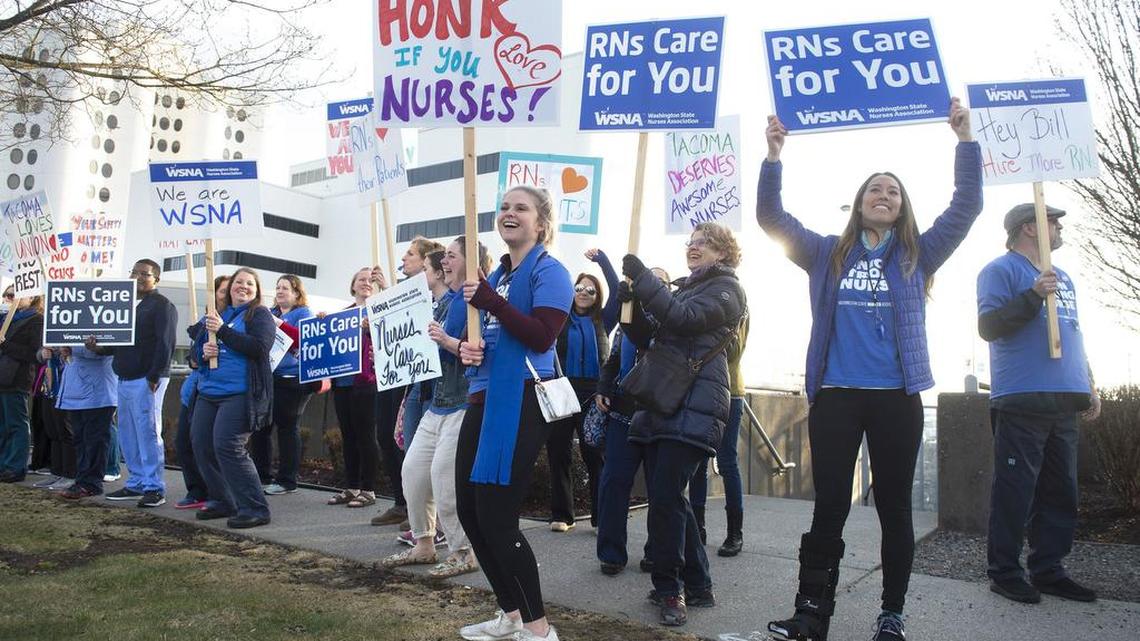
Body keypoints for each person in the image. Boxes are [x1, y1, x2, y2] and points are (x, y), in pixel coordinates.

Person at [758, 100, 981, 641]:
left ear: (902, 209)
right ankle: (812, 613)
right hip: (836, 396)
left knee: (894, 507)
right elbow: (772, 219)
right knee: (830, 505)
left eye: (894, 191)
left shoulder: (918, 255)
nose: (884, 195)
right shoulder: (825, 254)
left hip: (895, 399)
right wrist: (773, 155)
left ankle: (892, 615)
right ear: (858, 203)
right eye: (875, 189)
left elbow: (966, 206)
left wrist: (965, 140)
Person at [456, 185, 573, 641]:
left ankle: (540, 629)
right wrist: (468, 350)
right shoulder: (500, 276)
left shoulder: (551, 272)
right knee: (470, 511)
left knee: (498, 518)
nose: (509, 213)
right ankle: (511, 614)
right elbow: (497, 337)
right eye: (503, 206)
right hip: (483, 397)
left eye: (520, 208)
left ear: (540, 223)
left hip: (522, 401)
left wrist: (492, 303)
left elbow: (542, 337)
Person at [619, 223, 746, 627]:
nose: (693, 248)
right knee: (671, 498)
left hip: (695, 403)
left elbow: (684, 319)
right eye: (691, 243)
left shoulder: (726, 290)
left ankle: (669, 588)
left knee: (666, 498)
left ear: (723, 253)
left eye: (703, 244)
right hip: (665, 401)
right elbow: (650, 335)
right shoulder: (685, 287)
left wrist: (644, 280)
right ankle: (700, 583)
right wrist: (633, 307)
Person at [980, 204, 1101, 604]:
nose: (1059, 225)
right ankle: (1004, 571)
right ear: (1029, 228)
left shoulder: (1063, 276)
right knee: (1016, 490)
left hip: (1065, 398)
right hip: (1022, 395)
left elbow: (1073, 332)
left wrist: (1089, 383)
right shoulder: (1001, 270)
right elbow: (990, 326)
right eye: (1052, 220)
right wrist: (1033, 296)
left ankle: (1049, 570)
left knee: (1061, 490)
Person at [381, 241, 484, 578]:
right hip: (435, 405)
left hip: (461, 403)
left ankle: (463, 550)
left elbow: (476, 353)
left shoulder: (476, 303)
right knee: (412, 472)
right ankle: (424, 544)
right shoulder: (441, 304)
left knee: (445, 479)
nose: (446, 260)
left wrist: (444, 342)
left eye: (452, 255)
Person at [595, 268, 669, 576]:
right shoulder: (626, 321)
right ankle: (611, 553)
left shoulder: (672, 322)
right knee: (614, 482)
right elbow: (613, 361)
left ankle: (656, 553)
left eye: (660, 282)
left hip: (657, 416)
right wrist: (603, 387)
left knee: (660, 488)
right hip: (623, 413)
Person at [88, 258, 177, 508]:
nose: (138, 277)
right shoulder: (127, 306)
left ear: (155, 279)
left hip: (147, 379)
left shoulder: (162, 305)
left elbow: (166, 343)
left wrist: (154, 376)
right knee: (128, 433)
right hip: (124, 377)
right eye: (134, 272)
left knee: (148, 432)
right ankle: (137, 482)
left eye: (144, 274)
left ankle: (154, 487)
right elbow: (118, 343)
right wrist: (98, 348)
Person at [191, 267, 276, 528]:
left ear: (257, 290)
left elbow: (260, 348)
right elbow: (193, 357)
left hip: (239, 394)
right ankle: (223, 499)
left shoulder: (259, 314)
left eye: (250, 283)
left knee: (228, 446)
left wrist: (224, 332)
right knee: (201, 444)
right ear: (229, 289)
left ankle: (255, 507)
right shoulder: (218, 315)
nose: (244, 286)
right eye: (239, 282)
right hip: (209, 393)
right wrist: (203, 353)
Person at [373, 236, 445, 526]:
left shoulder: (440, 297)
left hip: (427, 382)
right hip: (403, 377)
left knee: (423, 452)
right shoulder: (404, 290)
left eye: (411, 254)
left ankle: (430, 517)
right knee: (397, 442)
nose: (404, 259)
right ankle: (406, 504)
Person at [547, 268, 612, 531]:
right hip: (562, 389)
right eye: (579, 288)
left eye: (590, 290)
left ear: (597, 297)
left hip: (591, 394)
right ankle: (562, 516)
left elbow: (618, 292)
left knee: (594, 454)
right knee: (558, 452)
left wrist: (603, 261)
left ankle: (600, 516)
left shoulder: (603, 320)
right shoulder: (560, 319)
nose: (583, 293)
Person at [688, 313, 750, 556]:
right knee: (697, 462)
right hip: (699, 388)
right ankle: (697, 529)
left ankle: (735, 534)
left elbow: (733, 351)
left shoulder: (737, 303)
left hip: (730, 392)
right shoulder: (699, 300)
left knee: (726, 462)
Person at [252, 274, 315, 496]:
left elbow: (304, 340)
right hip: (269, 377)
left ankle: (287, 480)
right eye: (277, 287)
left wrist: (279, 324)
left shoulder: (303, 313)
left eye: (285, 288)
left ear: (296, 293)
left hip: (292, 380)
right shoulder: (271, 313)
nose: (279, 291)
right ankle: (261, 476)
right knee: (261, 428)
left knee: (288, 429)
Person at [328, 266, 384, 509]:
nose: (365, 283)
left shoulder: (380, 311)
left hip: (366, 382)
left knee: (365, 436)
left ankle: (369, 489)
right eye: (360, 279)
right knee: (348, 435)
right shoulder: (342, 314)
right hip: (342, 382)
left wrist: (369, 329)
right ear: (353, 286)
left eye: (369, 280)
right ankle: (351, 486)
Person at [174, 275, 229, 510]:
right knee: (184, 442)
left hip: (218, 392)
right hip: (195, 390)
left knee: (209, 445)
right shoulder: (204, 322)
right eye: (221, 291)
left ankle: (218, 492)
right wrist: (197, 358)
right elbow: (194, 355)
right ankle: (196, 490)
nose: (225, 295)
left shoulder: (237, 321)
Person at [57, 344, 118, 499]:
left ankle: (91, 483)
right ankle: (83, 480)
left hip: (97, 389)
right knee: (81, 439)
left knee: (94, 439)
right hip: (79, 388)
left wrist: (72, 348)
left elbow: (104, 350)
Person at [0, 292, 45, 484]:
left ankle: (16, 466)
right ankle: (3, 463)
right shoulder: (7, 319)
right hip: (3, 377)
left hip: (17, 379)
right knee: (3, 424)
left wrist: (5, 345)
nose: (10, 299)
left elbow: (33, 353)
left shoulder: (36, 320)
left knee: (17, 424)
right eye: (8, 295)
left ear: (32, 296)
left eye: (14, 294)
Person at [30, 348, 73, 490]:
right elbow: (40, 351)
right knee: (52, 430)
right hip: (48, 386)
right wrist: (42, 354)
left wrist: (63, 354)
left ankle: (69, 474)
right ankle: (56, 472)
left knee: (65, 431)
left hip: (66, 386)